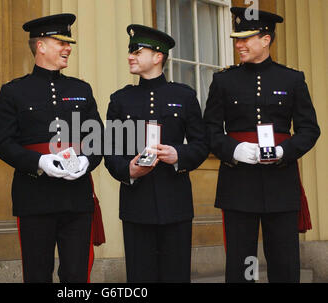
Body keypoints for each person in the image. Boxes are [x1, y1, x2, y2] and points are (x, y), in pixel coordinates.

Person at [203, 7, 320, 283]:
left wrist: (284, 151)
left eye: (246, 38)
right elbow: (209, 130)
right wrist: (233, 149)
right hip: (238, 182)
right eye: (237, 38)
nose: (238, 45)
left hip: (280, 182)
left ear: (266, 39)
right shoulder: (223, 80)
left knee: (285, 263)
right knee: (243, 263)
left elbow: (309, 129)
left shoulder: (292, 79)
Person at [0, 13, 104, 283]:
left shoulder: (82, 89)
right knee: (37, 273)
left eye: (69, 43)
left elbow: (98, 138)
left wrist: (85, 162)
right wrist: (38, 163)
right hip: (34, 198)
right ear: (40, 46)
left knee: (77, 274)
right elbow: (3, 143)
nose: (68, 48)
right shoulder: (13, 92)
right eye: (61, 42)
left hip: (76, 198)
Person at [104, 24, 208, 282]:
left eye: (137, 51)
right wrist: (128, 169)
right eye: (130, 51)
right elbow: (110, 150)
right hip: (136, 204)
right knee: (140, 277)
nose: (131, 56)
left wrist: (178, 155)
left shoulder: (183, 96)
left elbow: (202, 143)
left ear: (158, 56)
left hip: (176, 203)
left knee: (176, 275)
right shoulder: (120, 100)